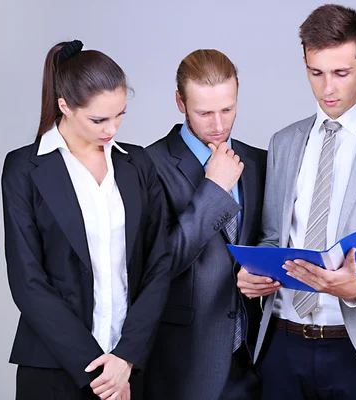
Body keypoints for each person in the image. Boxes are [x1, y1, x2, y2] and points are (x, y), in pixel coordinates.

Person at [236, 5, 356, 399]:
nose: (328, 89)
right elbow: (273, 236)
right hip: (282, 345)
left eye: (341, 73)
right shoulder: (284, 141)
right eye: (316, 72)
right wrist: (253, 273)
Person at [1, 40, 172, 400]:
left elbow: (159, 264)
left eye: (120, 114)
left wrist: (125, 357)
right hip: (54, 367)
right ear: (64, 106)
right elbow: (27, 281)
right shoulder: (24, 169)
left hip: (130, 366)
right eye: (99, 119)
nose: (112, 129)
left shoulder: (138, 164)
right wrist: (99, 368)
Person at [144, 49, 266, 400]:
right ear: (180, 103)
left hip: (252, 358)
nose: (218, 125)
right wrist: (214, 191)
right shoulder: (147, 165)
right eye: (205, 112)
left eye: (227, 109)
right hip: (183, 362)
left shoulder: (257, 160)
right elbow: (158, 264)